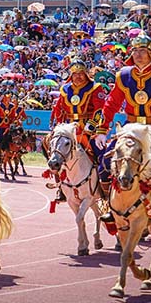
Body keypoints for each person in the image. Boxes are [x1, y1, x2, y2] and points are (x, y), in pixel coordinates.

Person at [93, 33, 151, 232]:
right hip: (129, 128)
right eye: (135, 50)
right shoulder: (124, 75)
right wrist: (102, 130)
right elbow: (111, 104)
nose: (138, 55)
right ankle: (108, 206)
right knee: (104, 163)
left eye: (143, 51)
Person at [49, 59, 106, 202]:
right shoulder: (65, 89)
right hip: (69, 130)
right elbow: (60, 110)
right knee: (54, 153)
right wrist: (59, 126)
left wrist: (92, 125)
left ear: (86, 74)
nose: (78, 77)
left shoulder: (95, 87)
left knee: (101, 155)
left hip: (88, 129)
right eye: (75, 74)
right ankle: (61, 187)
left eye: (81, 74)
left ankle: (104, 187)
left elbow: (100, 109)